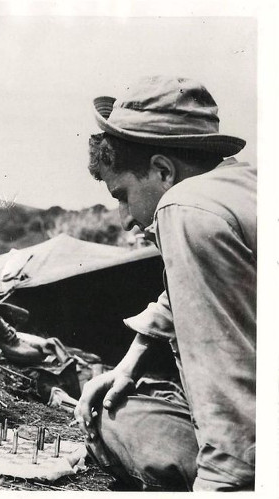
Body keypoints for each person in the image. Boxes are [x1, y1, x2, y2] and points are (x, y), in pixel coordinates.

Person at [74, 75, 256, 491]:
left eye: (121, 195)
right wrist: (127, 365)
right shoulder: (243, 187)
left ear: (162, 170)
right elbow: (182, 293)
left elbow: (231, 403)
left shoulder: (186, 208)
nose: (125, 220)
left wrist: (218, 486)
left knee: (123, 422)